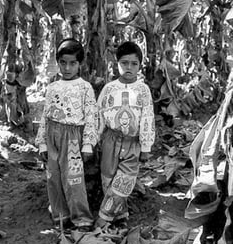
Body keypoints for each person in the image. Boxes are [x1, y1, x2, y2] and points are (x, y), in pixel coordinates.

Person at [35, 38, 98, 230]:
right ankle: (60, 216)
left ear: (80, 64)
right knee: (53, 177)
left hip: (73, 137)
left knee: (73, 179)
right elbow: (45, 115)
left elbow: (91, 116)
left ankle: (81, 219)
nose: (67, 68)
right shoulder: (52, 87)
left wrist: (88, 144)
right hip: (52, 134)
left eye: (72, 63)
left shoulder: (85, 87)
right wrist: (42, 143)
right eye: (63, 62)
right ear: (58, 63)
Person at [96, 41, 155, 229]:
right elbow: (99, 116)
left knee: (125, 181)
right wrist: (93, 140)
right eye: (124, 63)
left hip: (133, 142)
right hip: (110, 140)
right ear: (116, 63)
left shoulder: (143, 90)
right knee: (108, 178)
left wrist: (146, 147)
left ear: (140, 65)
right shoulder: (109, 89)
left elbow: (147, 118)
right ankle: (120, 216)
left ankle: (103, 218)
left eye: (134, 64)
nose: (129, 68)